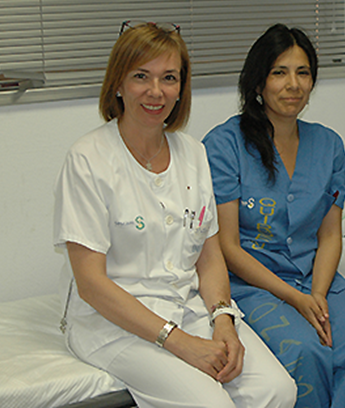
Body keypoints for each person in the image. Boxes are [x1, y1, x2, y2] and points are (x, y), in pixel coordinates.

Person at [53, 21, 296, 408]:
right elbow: (91, 285)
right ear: (118, 83)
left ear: (181, 88)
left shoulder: (192, 153)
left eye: (169, 78)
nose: (156, 91)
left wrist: (223, 319)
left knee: (278, 391)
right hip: (114, 323)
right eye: (141, 77)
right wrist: (178, 341)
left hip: (187, 307)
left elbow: (210, 254)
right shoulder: (89, 159)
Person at [202, 23, 345, 408]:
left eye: (303, 73)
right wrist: (295, 299)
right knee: (306, 351)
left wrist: (316, 294)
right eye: (279, 72)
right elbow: (227, 247)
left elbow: (330, 235)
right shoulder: (224, 145)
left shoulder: (329, 145)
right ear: (258, 82)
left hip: (315, 277)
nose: (293, 84)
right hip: (252, 283)